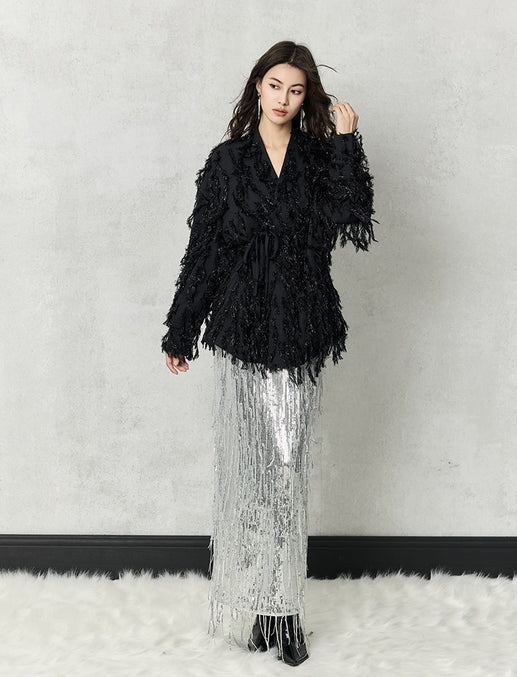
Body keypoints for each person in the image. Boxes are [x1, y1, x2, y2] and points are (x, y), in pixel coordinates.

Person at [161, 40, 377, 667]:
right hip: (243, 330)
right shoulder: (227, 162)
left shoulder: (318, 158)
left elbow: (353, 217)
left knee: (286, 470)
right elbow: (205, 252)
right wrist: (181, 330)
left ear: (307, 99)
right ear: (257, 86)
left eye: (296, 90)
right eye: (275, 85)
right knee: (254, 478)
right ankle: (265, 606)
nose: (283, 99)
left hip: (301, 328)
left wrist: (346, 142)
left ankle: (284, 611)